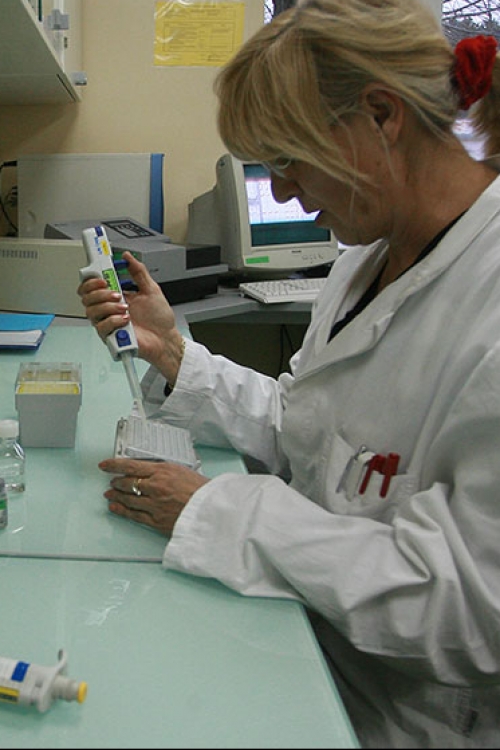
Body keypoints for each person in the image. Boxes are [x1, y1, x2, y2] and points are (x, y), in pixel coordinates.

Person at [77, 1, 500, 746]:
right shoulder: (364, 263)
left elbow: (469, 608)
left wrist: (221, 511)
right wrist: (171, 352)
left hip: (403, 720)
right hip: (311, 647)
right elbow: (309, 428)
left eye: (289, 160)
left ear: (381, 116)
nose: (283, 193)